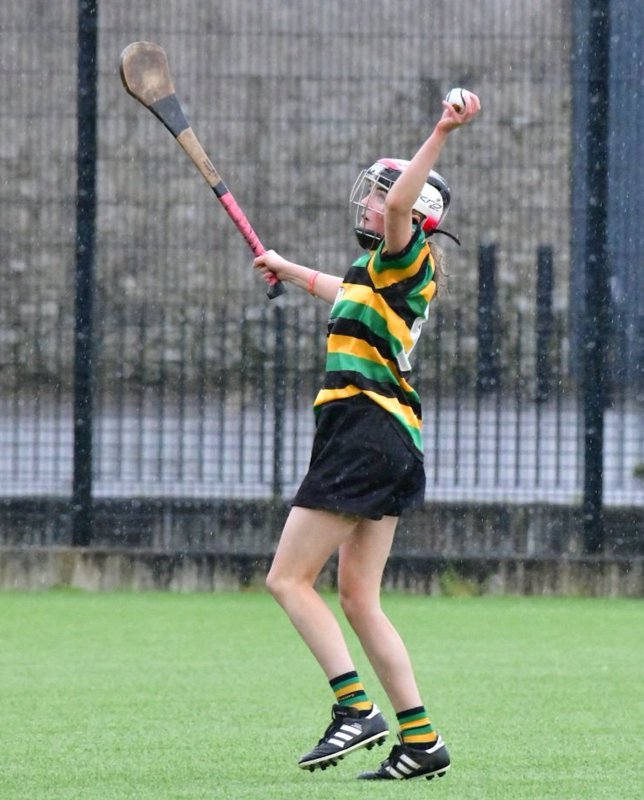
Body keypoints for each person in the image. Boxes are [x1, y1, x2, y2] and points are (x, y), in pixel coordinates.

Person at [253, 89, 481, 781]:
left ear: (415, 215)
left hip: (363, 430)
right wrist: (293, 272)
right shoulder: (377, 273)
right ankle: (422, 741)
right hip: (390, 438)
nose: (370, 204)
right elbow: (343, 290)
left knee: (288, 579)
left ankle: (355, 710)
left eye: (381, 198)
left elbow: (407, 199)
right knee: (358, 598)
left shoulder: (407, 253)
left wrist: (440, 131)